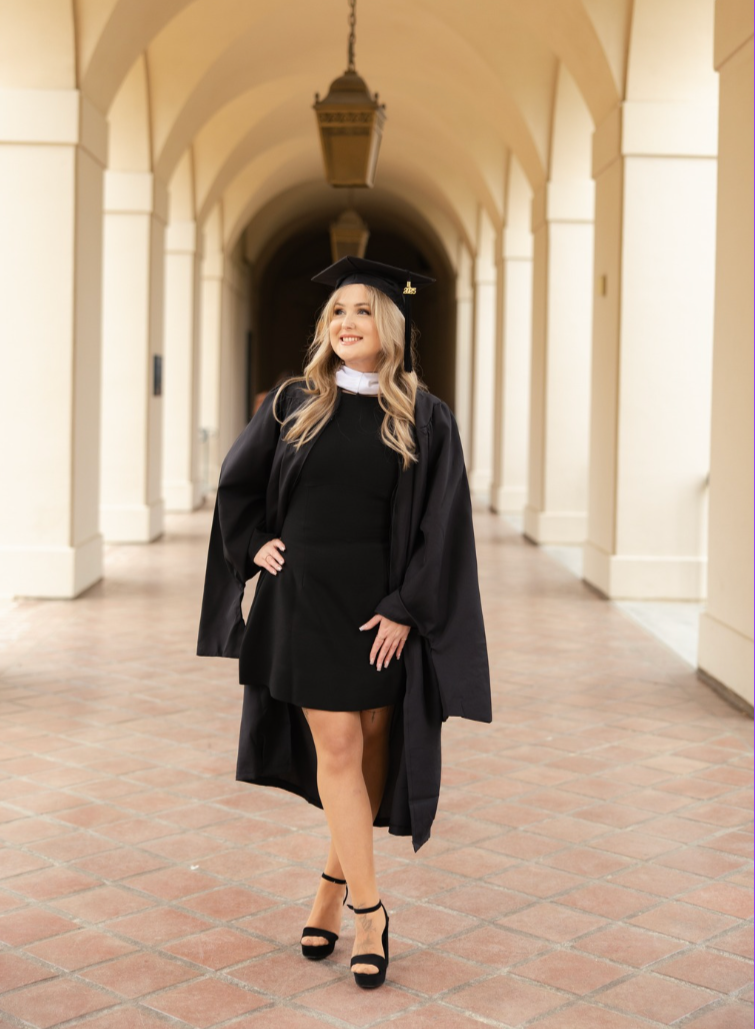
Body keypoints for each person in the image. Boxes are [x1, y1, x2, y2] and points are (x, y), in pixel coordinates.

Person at [197, 256, 491, 990]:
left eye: (361, 310)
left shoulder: (423, 414)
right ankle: (370, 912)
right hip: (304, 600)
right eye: (335, 312)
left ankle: (327, 889)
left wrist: (404, 607)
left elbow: (442, 522)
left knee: (367, 757)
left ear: (388, 325)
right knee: (335, 745)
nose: (346, 322)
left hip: (379, 608)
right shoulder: (294, 401)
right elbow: (237, 482)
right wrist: (251, 541)